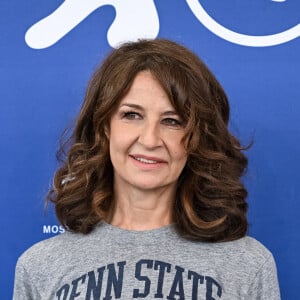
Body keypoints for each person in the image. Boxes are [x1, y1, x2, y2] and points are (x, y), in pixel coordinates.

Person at [13, 38, 280, 299]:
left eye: (172, 121)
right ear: (104, 127)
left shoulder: (248, 265)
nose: (150, 140)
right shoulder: (40, 266)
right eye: (132, 115)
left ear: (197, 138)